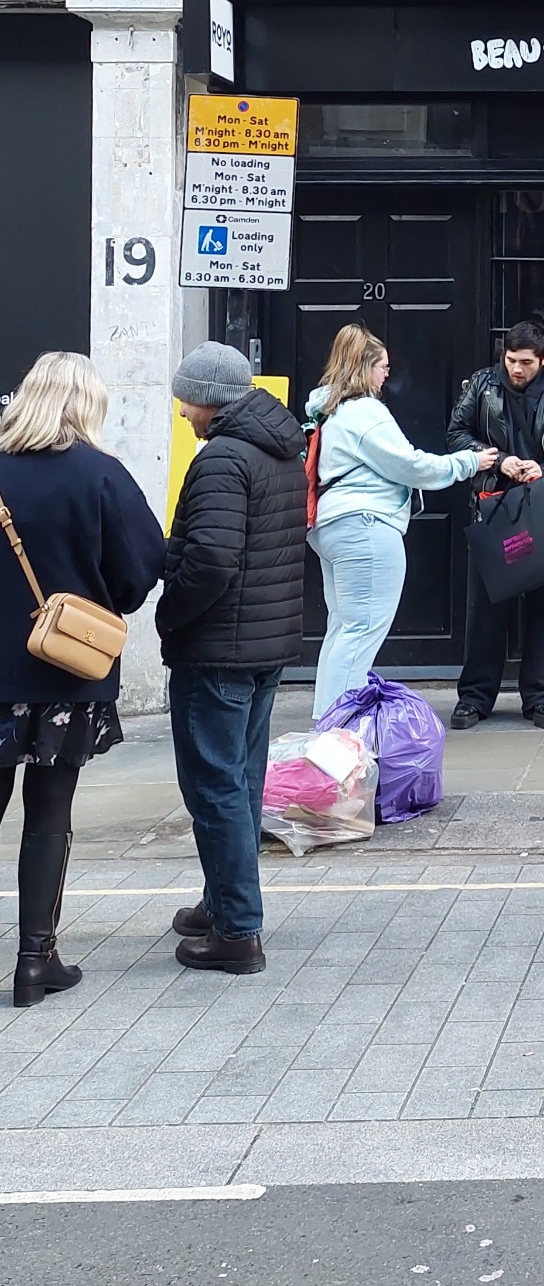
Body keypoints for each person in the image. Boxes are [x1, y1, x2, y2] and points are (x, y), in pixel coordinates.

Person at [0, 354, 164, 1006]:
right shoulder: (101, 474)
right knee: (49, 813)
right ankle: (34, 962)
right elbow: (140, 569)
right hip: (65, 672)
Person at [157, 342, 306, 977]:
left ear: (209, 399)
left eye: (186, 400)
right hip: (263, 644)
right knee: (240, 780)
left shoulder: (222, 457)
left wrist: (170, 614)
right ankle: (222, 901)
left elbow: (213, 559)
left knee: (214, 786)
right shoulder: (280, 450)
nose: (182, 411)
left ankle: (238, 930)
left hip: (218, 647)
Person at [306, 324, 499, 717]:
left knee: (343, 628)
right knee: (361, 630)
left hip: (333, 524)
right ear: (365, 368)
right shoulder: (367, 412)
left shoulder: (332, 412)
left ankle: (327, 722)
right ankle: (341, 727)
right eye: (383, 367)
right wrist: (469, 462)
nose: (386, 375)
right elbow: (410, 465)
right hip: (367, 524)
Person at [447, 319, 544, 731]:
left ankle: (542, 698)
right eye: (511, 360)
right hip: (494, 506)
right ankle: (474, 698)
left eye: (526, 362)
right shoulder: (482, 384)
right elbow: (456, 434)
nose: (516, 368)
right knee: (485, 610)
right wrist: (497, 460)